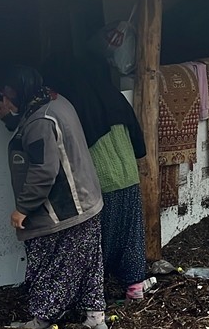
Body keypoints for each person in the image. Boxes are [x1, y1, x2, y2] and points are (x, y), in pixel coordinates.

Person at [0, 65, 108, 329]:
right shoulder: (54, 100)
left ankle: (42, 319)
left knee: (50, 265)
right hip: (87, 201)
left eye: (9, 96)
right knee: (89, 261)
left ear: (22, 93)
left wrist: (22, 208)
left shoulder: (40, 121)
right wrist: (11, 120)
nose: (5, 101)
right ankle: (95, 317)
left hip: (65, 209)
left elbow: (43, 170)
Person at [41, 57, 149, 300]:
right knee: (131, 232)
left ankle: (93, 294)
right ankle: (135, 287)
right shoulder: (112, 94)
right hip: (128, 173)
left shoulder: (72, 103)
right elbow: (135, 132)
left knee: (98, 240)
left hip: (100, 179)